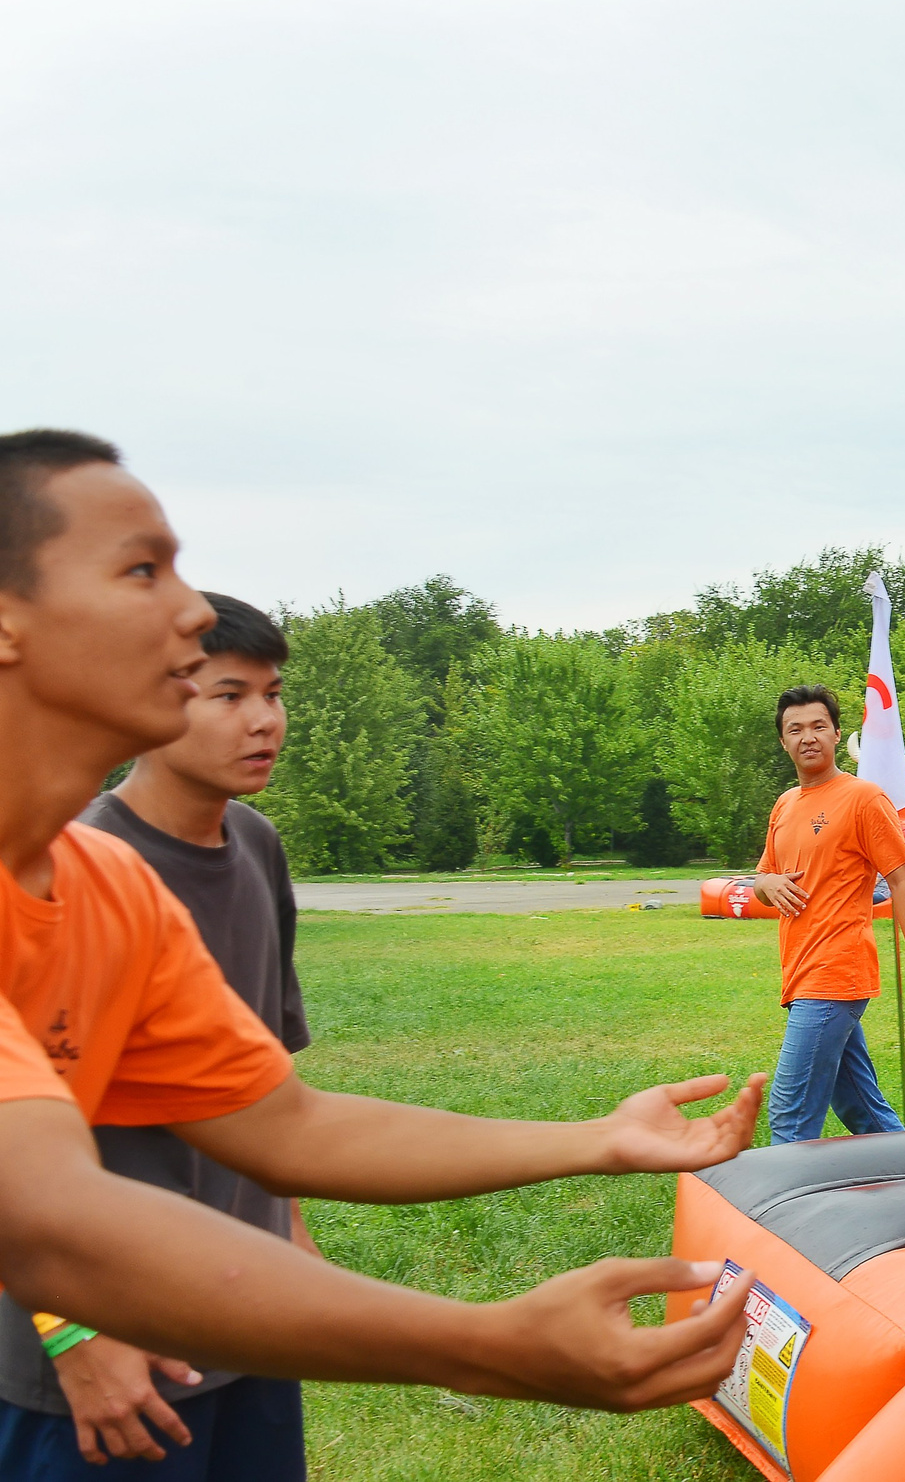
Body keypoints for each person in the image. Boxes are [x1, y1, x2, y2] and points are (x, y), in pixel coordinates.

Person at [0, 428, 764, 1427]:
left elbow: (287, 1127)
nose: (191, 612)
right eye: (143, 569)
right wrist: (491, 1349)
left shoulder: (110, 887)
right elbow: (52, 1225)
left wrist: (601, 1140)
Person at [0, 592, 322, 1474]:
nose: (263, 720)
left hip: (244, 1305)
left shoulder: (255, 845)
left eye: (273, 692)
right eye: (226, 694)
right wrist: (69, 1330)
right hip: (111, 1333)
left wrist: (286, 1231)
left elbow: (269, 1093)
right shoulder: (64, 866)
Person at [751, 686, 905, 1143]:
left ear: (836, 734)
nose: (807, 737)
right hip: (799, 971)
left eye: (818, 726)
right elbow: (761, 881)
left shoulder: (863, 798)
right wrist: (768, 885)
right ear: (783, 741)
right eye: (795, 729)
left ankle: (782, 1215)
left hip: (836, 973)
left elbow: (902, 880)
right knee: (860, 1108)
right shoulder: (785, 805)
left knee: (789, 1113)